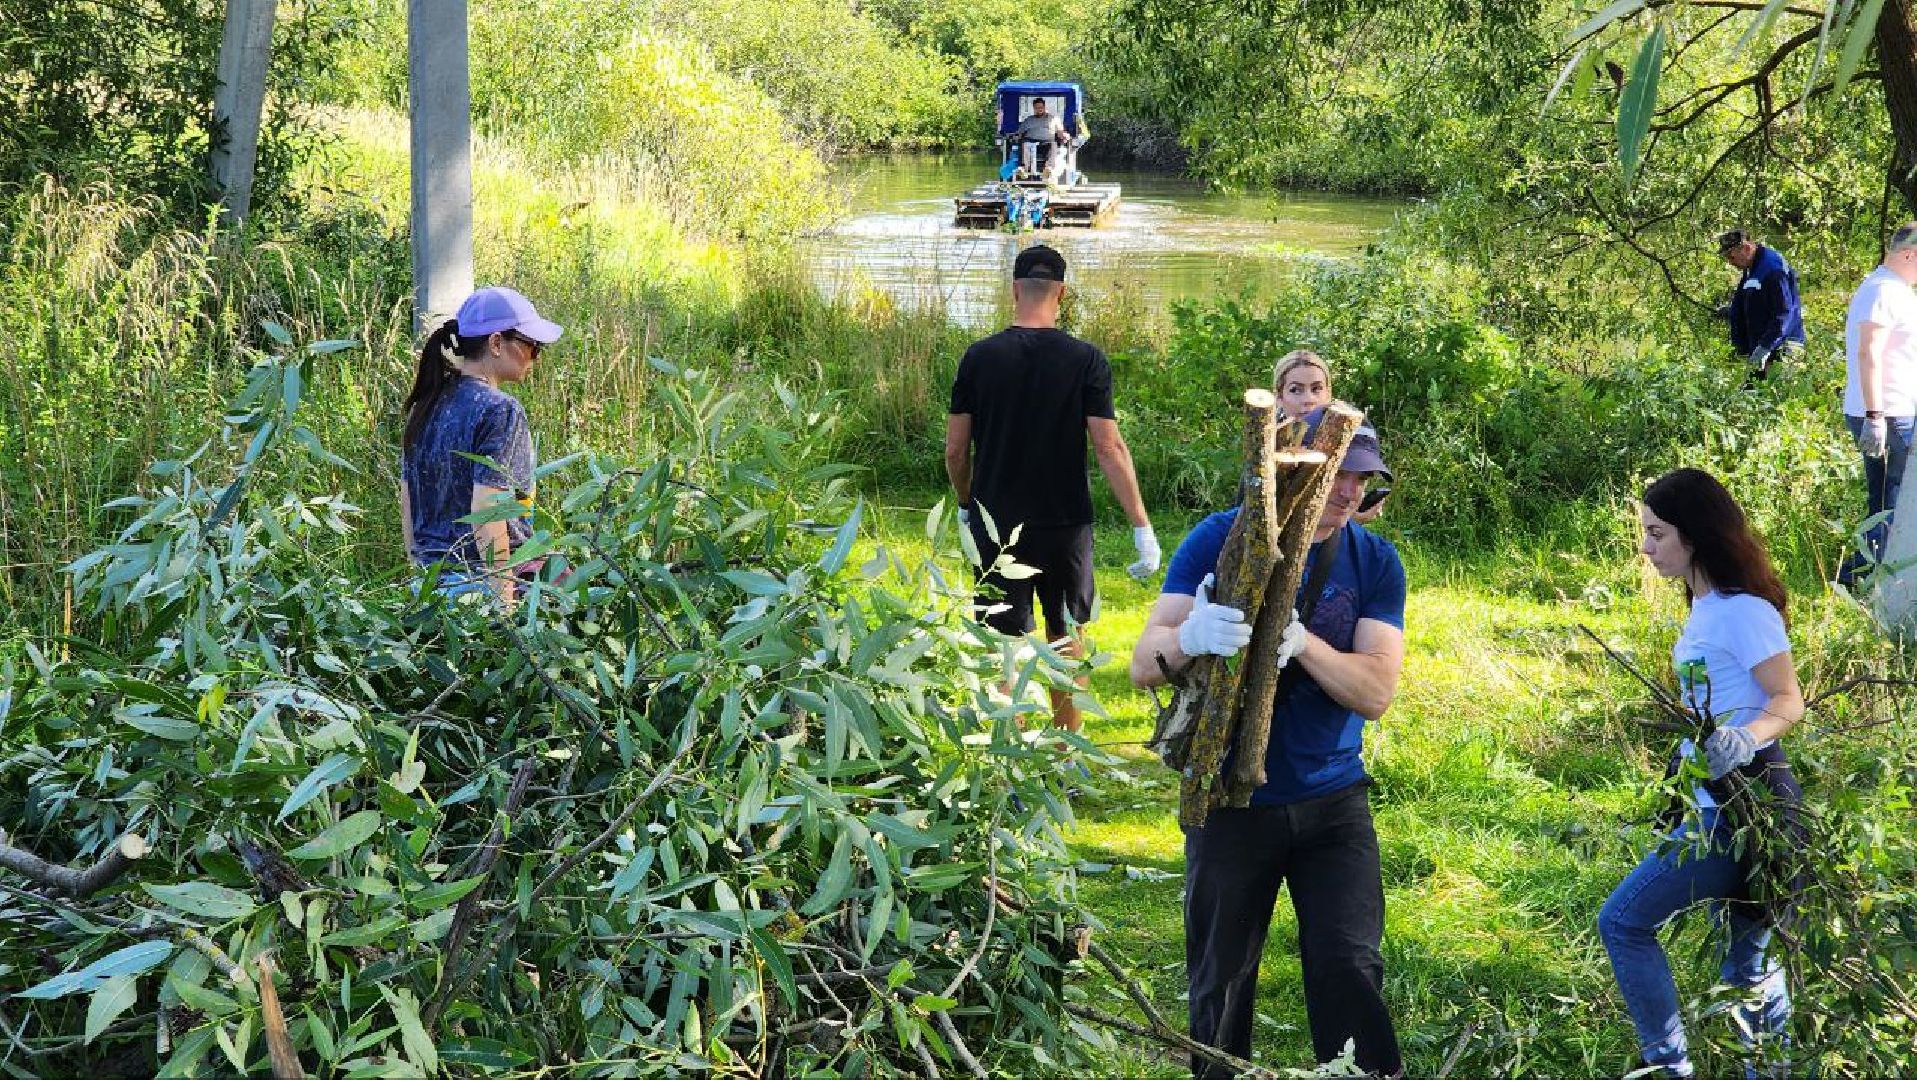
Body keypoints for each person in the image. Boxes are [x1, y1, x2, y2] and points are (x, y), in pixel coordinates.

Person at [1129, 409, 1404, 1079]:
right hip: (1229, 798)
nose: (1349, 495)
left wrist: (1304, 646)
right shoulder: (1221, 538)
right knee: (1220, 979)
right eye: (1338, 478)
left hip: (1332, 798)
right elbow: (1144, 662)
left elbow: (1374, 692)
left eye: (1362, 482)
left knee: (1349, 965)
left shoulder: (1374, 561)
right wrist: (1191, 638)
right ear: (1295, 472)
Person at [1598, 468, 1803, 1079]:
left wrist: (1746, 738)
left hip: (1745, 811)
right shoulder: (1707, 607)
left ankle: (1668, 1066)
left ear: (1694, 535)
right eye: (1645, 532)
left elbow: (1788, 700)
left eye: (1656, 533)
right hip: (1711, 806)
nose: (1646, 546)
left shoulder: (1743, 613)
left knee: (1622, 921)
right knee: (1747, 967)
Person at [946, 244, 1157, 733]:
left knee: (1002, 645)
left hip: (996, 525)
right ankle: (1066, 759)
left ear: (1015, 290)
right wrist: (1141, 526)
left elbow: (956, 451)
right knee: (1065, 638)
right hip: (1064, 524)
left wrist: (964, 505)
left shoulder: (979, 358)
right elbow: (1109, 448)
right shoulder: (1086, 359)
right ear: (1061, 293)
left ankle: (1007, 767)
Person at [400, 286, 563, 606]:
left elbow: (408, 502)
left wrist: (419, 581)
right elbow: (489, 512)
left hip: (430, 587)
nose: (536, 357)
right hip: (482, 588)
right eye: (532, 346)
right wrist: (504, 604)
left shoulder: (426, 405)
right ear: (496, 343)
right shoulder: (499, 410)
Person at [1840, 222, 1917, 582]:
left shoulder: (1891, 288)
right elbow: (1868, 352)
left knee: (1890, 502)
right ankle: (1860, 580)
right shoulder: (1883, 291)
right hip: (1889, 415)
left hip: (1893, 411)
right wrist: (1875, 417)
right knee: (1892, 505)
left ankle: (1872, 576)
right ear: (1909, 254)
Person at [1274, 349, 1386, 524]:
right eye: (1296, 390)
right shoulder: (1267, 444)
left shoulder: (1348, 430)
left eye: (1316, 389)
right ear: (1279, 397)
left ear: (1329, 394)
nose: (1308, 399)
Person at [1716, 230, 1804, 380]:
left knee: (1776, 397)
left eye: (1731, 257)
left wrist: (1765, 347)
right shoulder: (1751, 268)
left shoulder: (1772, 268)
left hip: (1782, 348)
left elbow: (1784, 313)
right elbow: (1756, 302)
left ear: (1747, 248)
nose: (1730, 262)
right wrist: (1732, 312)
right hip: (1760, 350)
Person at [1014, 97, 1066, 177]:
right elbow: (1020, 133)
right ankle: (1023, 168)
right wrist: (1017, 137)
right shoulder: (1029, 120)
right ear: (1034, 108)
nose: (1039, 109)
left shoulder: (1054, 119)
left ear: (1044, 107)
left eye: (1041, 107)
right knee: (1023, 144)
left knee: (1053, 145)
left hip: (1047, 142)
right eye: (1037, 108)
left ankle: (1048, 169)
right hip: (1031, 141)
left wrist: (1063, 135)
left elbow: (1060, 131)